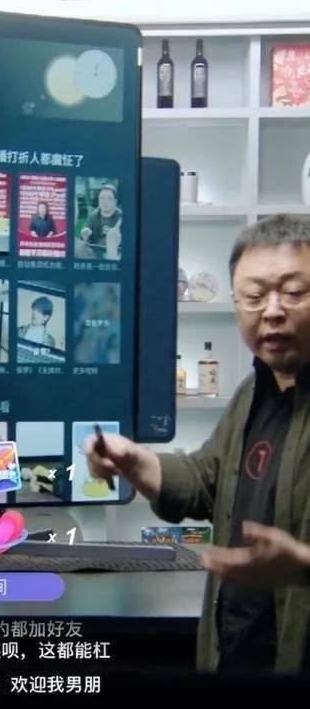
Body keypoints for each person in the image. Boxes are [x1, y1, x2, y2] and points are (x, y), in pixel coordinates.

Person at [85, 215, 310, 673]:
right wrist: (133, 460)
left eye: (293, 291)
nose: (272, 310)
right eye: (254, 296)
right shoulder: (253, 393)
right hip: (235, 654)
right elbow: (207, 480)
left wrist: (303, 566)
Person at [79, 185, 122, 260]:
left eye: (109, 198)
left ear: (115, 201)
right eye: (102, 198)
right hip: (96, 255)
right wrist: (85, 236)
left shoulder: (121, 217)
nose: (105, 201)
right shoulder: (93, 216)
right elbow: (84, 239)